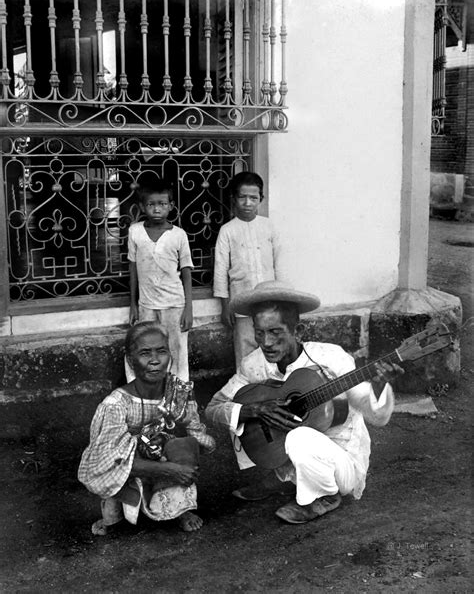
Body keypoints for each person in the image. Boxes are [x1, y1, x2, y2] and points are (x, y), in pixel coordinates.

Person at [205, 281, 403, 524]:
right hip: (292, 457)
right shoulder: (253, 364)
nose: (266, 343)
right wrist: (253, 409)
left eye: (276, 332)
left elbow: (377, 415)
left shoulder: (331, 358)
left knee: (298, 435)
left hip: (340, 464)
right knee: (246, 400)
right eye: (259, 332)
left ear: (297, 331)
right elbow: (213, 409)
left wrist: (380, 385)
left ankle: (326, 496)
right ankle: (284, 478)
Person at [78, 321, 215, 535]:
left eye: (161, 351)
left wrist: (184, 448)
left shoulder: (178, 391)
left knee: (183, 444)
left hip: (162, 457)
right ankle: (118, 512)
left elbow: (197, 434)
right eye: (145, 353)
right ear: (131, 361)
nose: (154, 361)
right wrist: (169, 469)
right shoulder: (115, 405)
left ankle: (180, 509)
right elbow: (106, 462)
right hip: (129, 466)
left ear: (170, 355)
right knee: (114, 469)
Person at [213, 171, 285, 366]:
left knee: (272, 347)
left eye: (253, 198)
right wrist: (225, 305)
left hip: (269, 302)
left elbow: (279, 263)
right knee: (245, 351)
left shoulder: (269, 227)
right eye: (242, 197)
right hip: (241, 303)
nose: (247, 203)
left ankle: (274, 389)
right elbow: (220, 269)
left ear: (260, 198)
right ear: (234, 199)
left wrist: (282, 299)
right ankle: (247, 392)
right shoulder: (227, 230)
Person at [127, 173, 193, 382]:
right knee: (142, 346)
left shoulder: (178, 235)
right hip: (146, 304)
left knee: (176, 349)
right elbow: (133, 268)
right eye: (151, 204)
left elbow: (186, 271)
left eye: (162, 204)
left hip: (174, 303)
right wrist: (133, 304)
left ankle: (178, 392)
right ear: (142, 207)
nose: (157, 209)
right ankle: (142, 387)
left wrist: (189, 308)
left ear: (171, 206)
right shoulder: (135, 232)